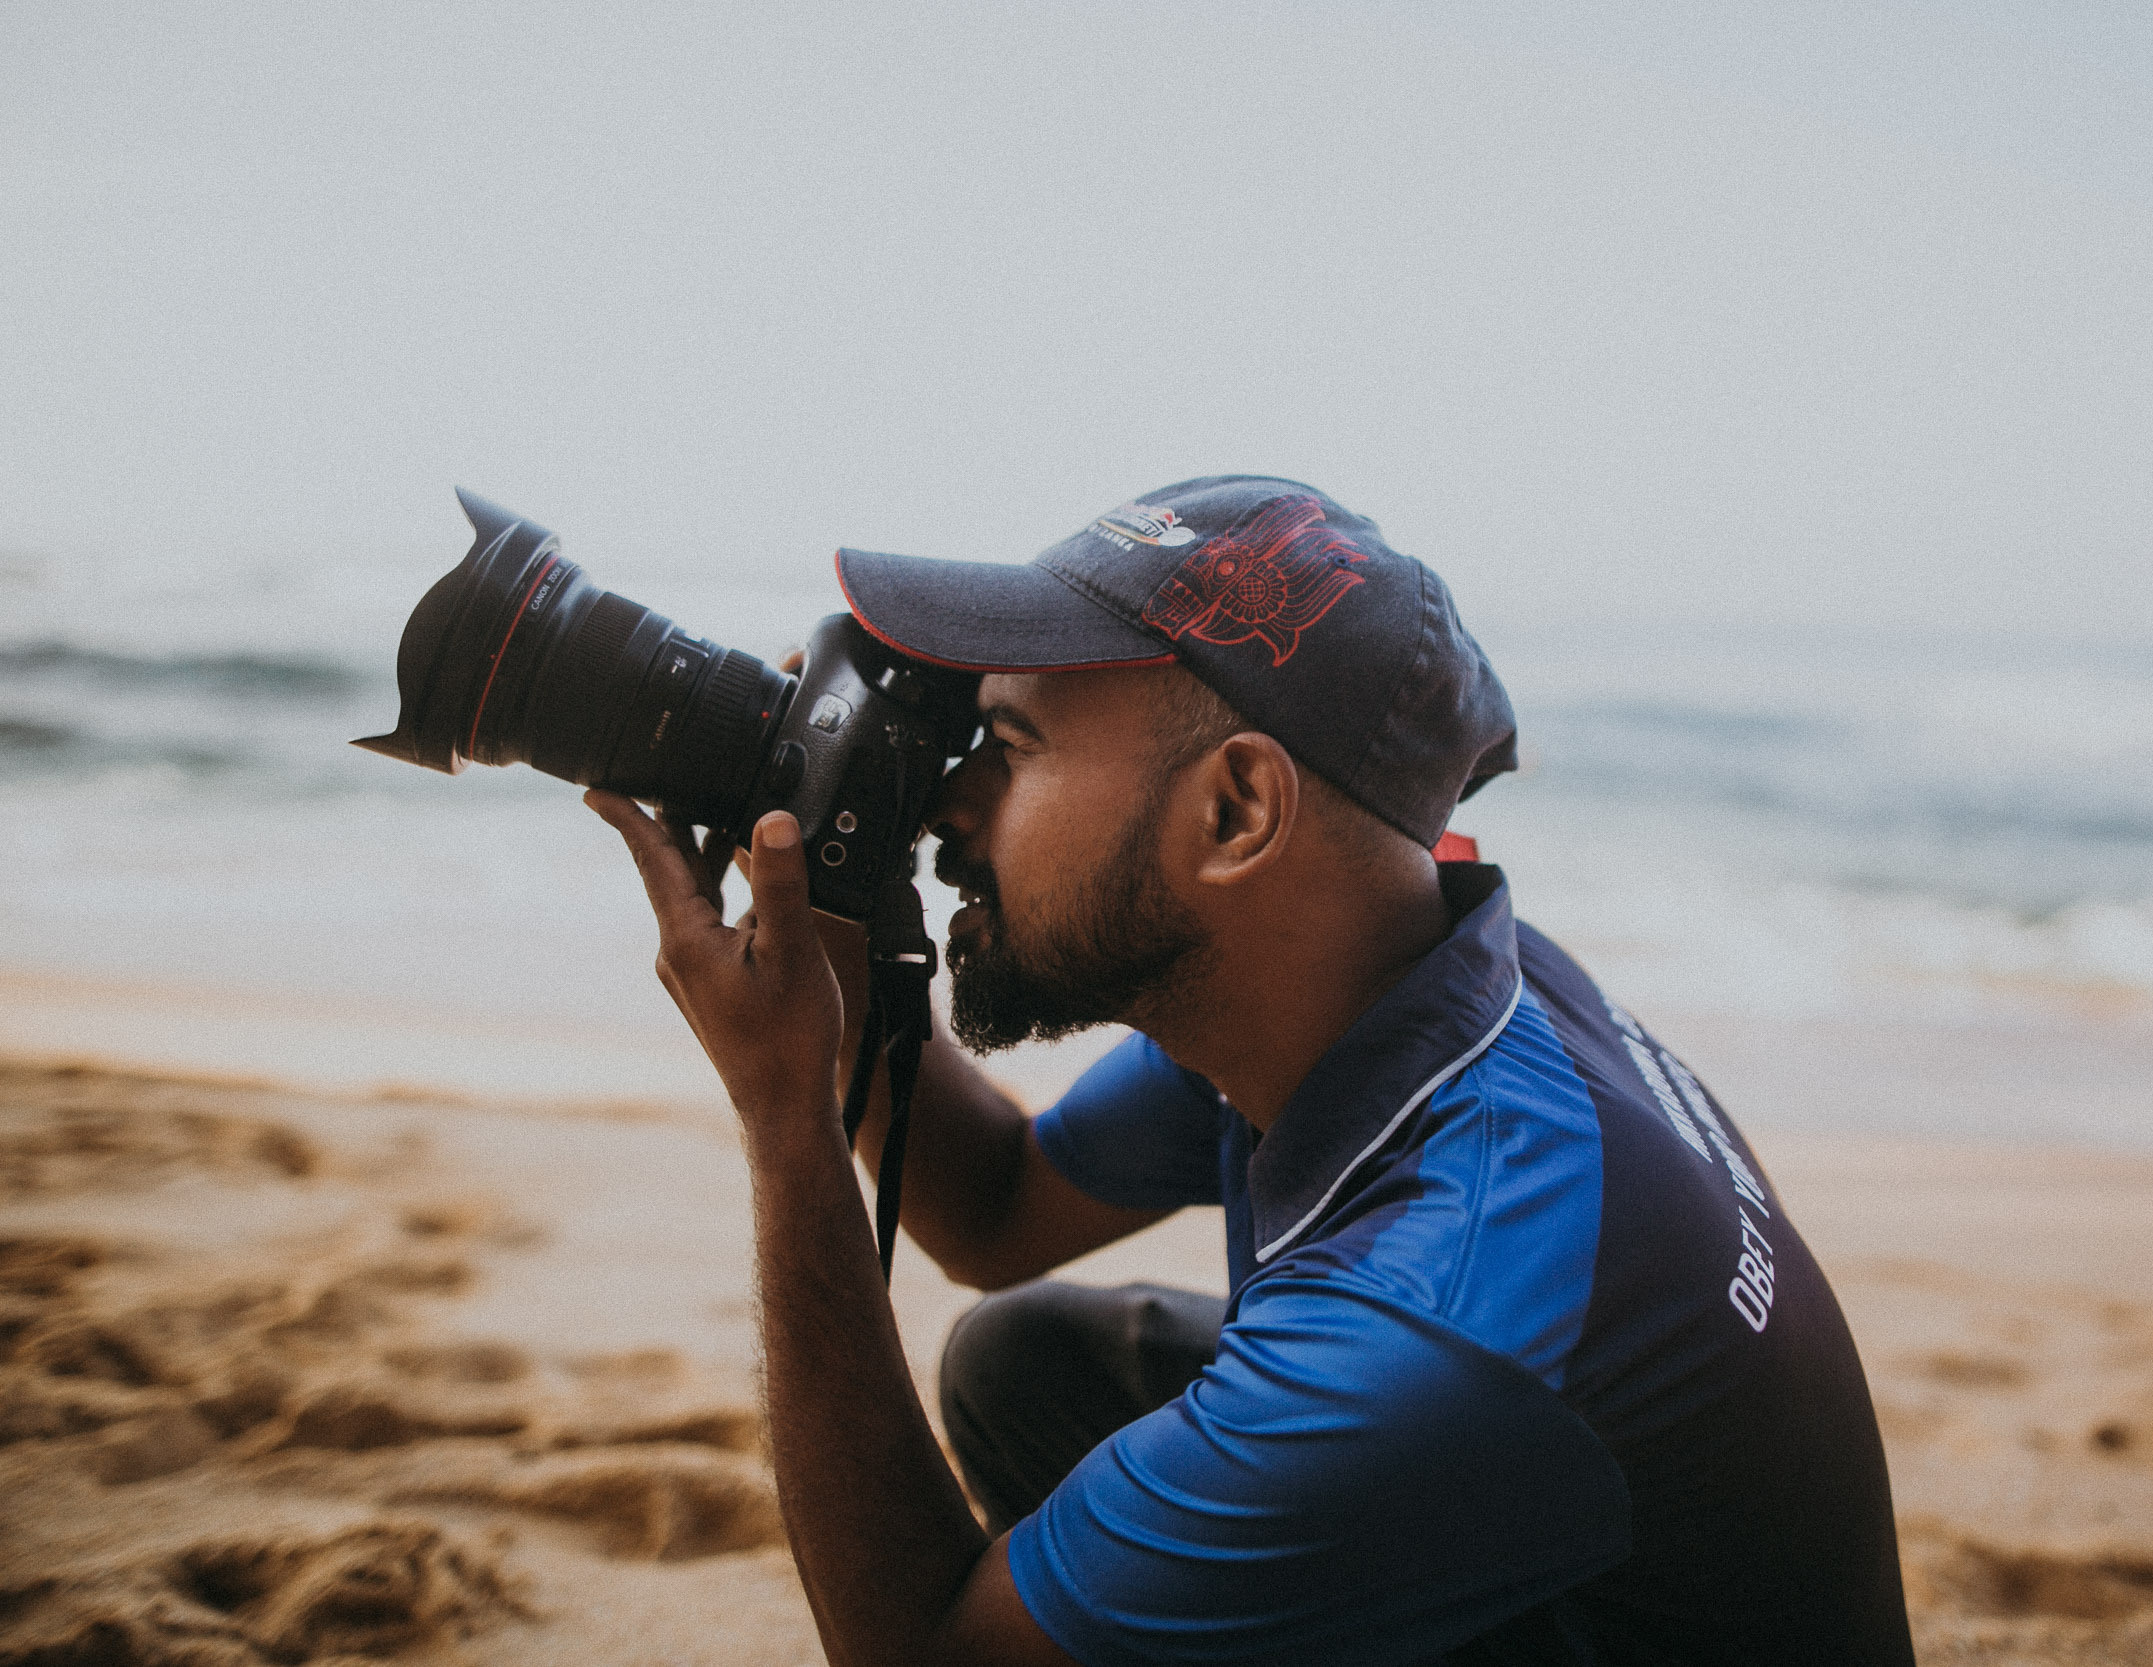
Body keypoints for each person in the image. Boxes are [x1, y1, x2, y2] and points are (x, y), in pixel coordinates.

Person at [588, 476, 1916, 1667]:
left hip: (1518, 1508)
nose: (948, 802)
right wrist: (835, 914)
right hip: (1536, 1545)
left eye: (1010, 747)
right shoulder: (1378, 975)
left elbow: (922, 1656)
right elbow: (992, 1208)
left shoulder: (1447, 1306)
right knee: (1027, 1367)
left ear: (1235, 812)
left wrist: (785, 1108)